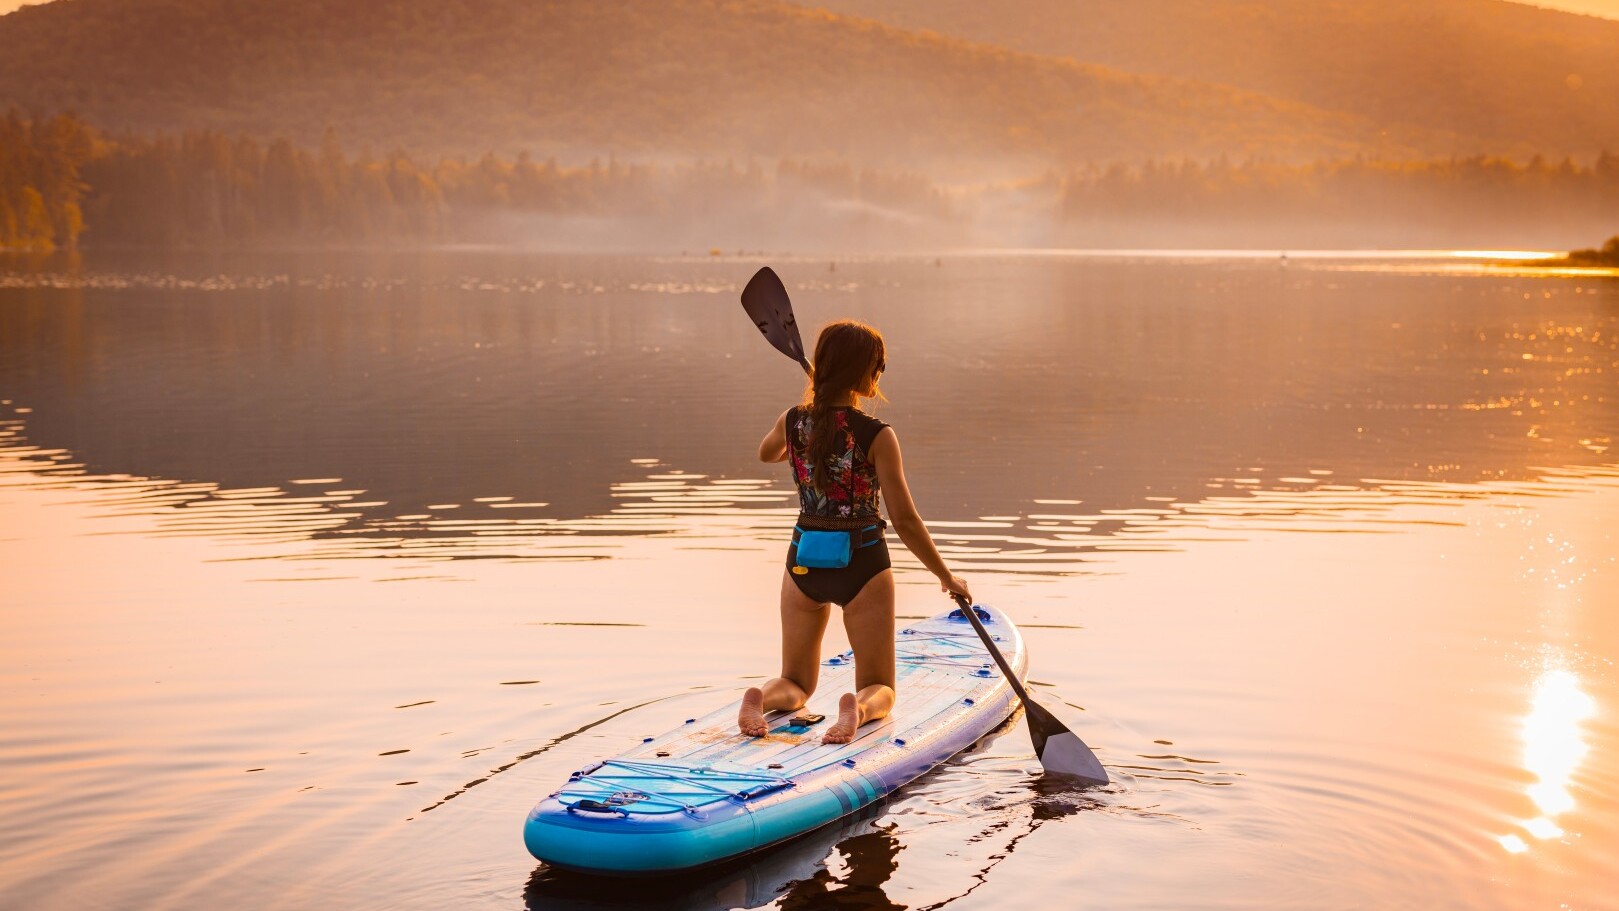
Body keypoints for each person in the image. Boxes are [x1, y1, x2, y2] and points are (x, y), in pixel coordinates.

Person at [739, 320, 972, 744]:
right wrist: (944, 576)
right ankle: (859, 707)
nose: (880, 375)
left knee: (796, 681)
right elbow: (904, 520)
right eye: (878, 366)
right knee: (880, 684)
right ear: (865, 372)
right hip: (862, 561)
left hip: (804, 560)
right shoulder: (877, 435)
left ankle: (761, 695)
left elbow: (766, 453)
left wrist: (807, 428)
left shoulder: (792, 422)